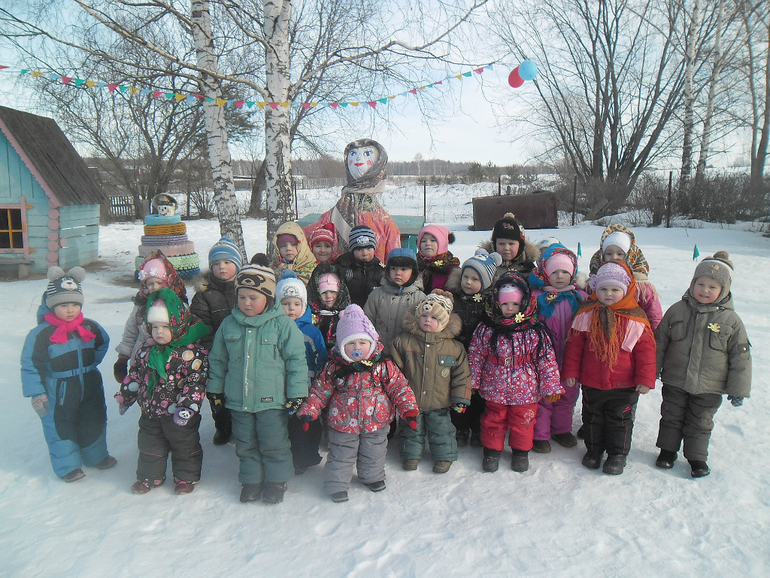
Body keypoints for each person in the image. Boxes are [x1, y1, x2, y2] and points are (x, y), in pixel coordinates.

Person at [207, 256, 308, 505]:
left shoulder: (282, 325)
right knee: (245, 443)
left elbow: (296, 362)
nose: (246, 303)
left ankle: (276, 480)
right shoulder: (229, 325)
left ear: (269, 298)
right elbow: (218, 360)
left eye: (253, 298)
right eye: (242, 297)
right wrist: (215, 390)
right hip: (238, 400)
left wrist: (296, 393)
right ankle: (251, 480)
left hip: (271, 400)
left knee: (273, 443)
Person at [296, 305, 419, 503]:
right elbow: (320, 391)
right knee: (341, 454)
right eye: (351, 343)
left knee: (375, 450)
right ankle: (337, 484)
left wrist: (408, 409)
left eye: (362, 342)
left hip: (376, 420)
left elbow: (399, 386)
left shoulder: (382, 365)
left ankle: (371, 476)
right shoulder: (334, 367)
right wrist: (310, 410)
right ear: (341, 346)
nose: (357, 348)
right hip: (343, 421)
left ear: (371, 343)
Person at [654, 251, 751, 478]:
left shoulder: (731, 321)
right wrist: (653, 370)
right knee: (671, 415)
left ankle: (697, 458)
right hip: (676, 379)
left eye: (712, 287)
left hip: (710, 385)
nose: (705, 290)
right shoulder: (677, 310)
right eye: (701, 284)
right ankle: (667, 451)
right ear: (693, 283)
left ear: (724, 290)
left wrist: (738, 390)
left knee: (701, 421)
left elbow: (741, 357)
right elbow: (660, 343)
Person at [21, 267, 115, 482]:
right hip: (59, 389)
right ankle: (68, 466)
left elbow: (103, 343)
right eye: (64, 305)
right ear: (51, 306)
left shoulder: (89, 326)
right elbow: (30, 365)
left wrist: (90, 364)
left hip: (90, 383)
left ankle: (97, 456)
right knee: (60, 425)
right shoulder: (41, 334)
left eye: (75, 304)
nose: (70, 310)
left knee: (94, 419)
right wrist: (37, 392)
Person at [562, 262, 657, 475]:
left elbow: (646, 352)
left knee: (620, 420)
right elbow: (575, 346)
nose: (608, 294)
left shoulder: (635, 318)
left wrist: (645, 378)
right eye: (603, 289)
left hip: (624, 383)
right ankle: (594, 450)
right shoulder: (587, 313)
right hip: (592, 381)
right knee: (592, 417)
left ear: (624, 291)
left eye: (615, 290)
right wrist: (570, 372)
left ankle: (617, 454)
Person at [116, 289, 210, 495]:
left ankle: (185, 477)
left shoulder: (191, 354)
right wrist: (126, 395)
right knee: (150, 446)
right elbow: (135, 376)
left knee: (185, 447)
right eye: (155, 326)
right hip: (151, 411)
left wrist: (188, 407)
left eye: (165, 327)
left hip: (180, 414)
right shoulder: (146, 351)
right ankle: (150, 476)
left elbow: (195, 382)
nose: (159, 332)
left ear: (178, 326)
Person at [468, 272, 562, 473]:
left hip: (526, 389)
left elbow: (546, 360)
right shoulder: (487, 329)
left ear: (524, 305)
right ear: (496, 304)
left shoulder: (535, 331)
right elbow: (476, 355)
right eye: (504, 304)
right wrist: (472, 382)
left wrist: (551, 385)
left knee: (524, 420)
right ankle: (491, 450)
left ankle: (521, 451)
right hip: (495, 386)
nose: (509, 308)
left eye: (515, 305)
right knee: (493, 419)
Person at [391, 290, 471, 474]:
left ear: (444, 323)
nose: (428, 320)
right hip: (411, 401)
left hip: (440, 401)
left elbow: (462, 375)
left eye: (434, 318)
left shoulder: (454, 348)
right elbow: (394, 371)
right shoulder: (403, 342)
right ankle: (410, 455)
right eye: (424, 315)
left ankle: (444, 456)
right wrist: (395, 395)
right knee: (411, 430)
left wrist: (460, 398)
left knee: (441, 431)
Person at [528, 243, 588, 453]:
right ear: (545, 273)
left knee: (568, 394)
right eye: (555, 272)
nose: (560, 276)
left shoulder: (580, 298)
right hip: (544, 358)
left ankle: (561, 430)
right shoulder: (537, 299)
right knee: (544, 396)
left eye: (565, 272)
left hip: (571, 357)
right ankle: (540, 434)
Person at [303, 139, 401, 262]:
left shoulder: (383, 221)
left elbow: (394, 259)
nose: (358, 159)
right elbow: (311, 234)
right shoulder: (337, 212)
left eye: (367, 154)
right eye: (353, 154)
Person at [445, 249, 502, 447]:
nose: (468, 282)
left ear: (485, 283)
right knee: (459, 393)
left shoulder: (491, 304)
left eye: (475, 279)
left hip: (483, 358)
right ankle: (459, 427)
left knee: (480, 396)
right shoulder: (453, 300)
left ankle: (478, 428)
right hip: (458, 355)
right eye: (466, 277)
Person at [190, 236, 243, 445]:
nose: (222, 267)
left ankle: (241, 425)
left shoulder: (245, 289)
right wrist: (215, 351)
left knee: (240, 391)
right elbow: (201, 326)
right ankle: (222, 427)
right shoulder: (204, 295)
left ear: (237, 265)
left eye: (227, 262)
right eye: (216, 263)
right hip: (216, 354)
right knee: (217, 393)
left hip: (243, 350)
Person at [275, 270, 328, 475]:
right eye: (286, 303)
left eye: (296, 304)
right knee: (284, 421)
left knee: (306, 421)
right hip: (279, 384)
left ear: (304, 305)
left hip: (306, 385)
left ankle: (306, 456)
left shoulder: (310, 331)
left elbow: (320, 356)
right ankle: (286, 454)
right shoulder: (274, 328)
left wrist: (317, 379)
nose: (291, 309)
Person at [114, 250, 188, 383]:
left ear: (167, 282)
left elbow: (187, 332)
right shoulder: (141, 307)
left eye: (159, 283)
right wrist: (122, 358)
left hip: (171, 362)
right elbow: (130, 333)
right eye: (150, 283)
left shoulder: (177, 305)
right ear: (144, 285)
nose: (155, 287)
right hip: (142, 361)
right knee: (145, 392)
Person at [588, 224, 662, 329]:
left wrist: (655, 337)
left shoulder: (642, 287)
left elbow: (654, 315)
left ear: (629, 255)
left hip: (634, 336)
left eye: (620, 254)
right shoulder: (594, 282)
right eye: (609, 254)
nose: (614, 257)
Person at [363, 247, 426, 354]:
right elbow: (365, 323)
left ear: (413, 272)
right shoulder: (376, 295)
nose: (398, 273)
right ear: (387, 270)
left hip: (407, 354)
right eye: (393, 268)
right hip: (379, 352)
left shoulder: (420, 298)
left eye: (404, 269)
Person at [335, 225, 386, 307]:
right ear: (352, 251)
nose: (365, 253)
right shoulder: (342, 266)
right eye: (359, 250)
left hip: (373, 312)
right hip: (348, 311)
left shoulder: (380, 270)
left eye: (369, 249)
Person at [480, 213, 540, 283]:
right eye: (501, 244)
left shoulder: (529, 268)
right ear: (494, 245)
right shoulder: (486, 266)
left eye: (511, 244)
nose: (506, 248)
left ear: (520, 246)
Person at [307, 263, 351, 352]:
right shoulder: (310, 315)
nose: (329, 296)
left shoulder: (346, 315)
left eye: (333, 292)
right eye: (324, 293)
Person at [416, 224, 460, 293]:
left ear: (442, 243)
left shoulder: (451, 268)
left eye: (433, 240)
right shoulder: (413, 265)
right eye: (423, 241)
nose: (428, 243)